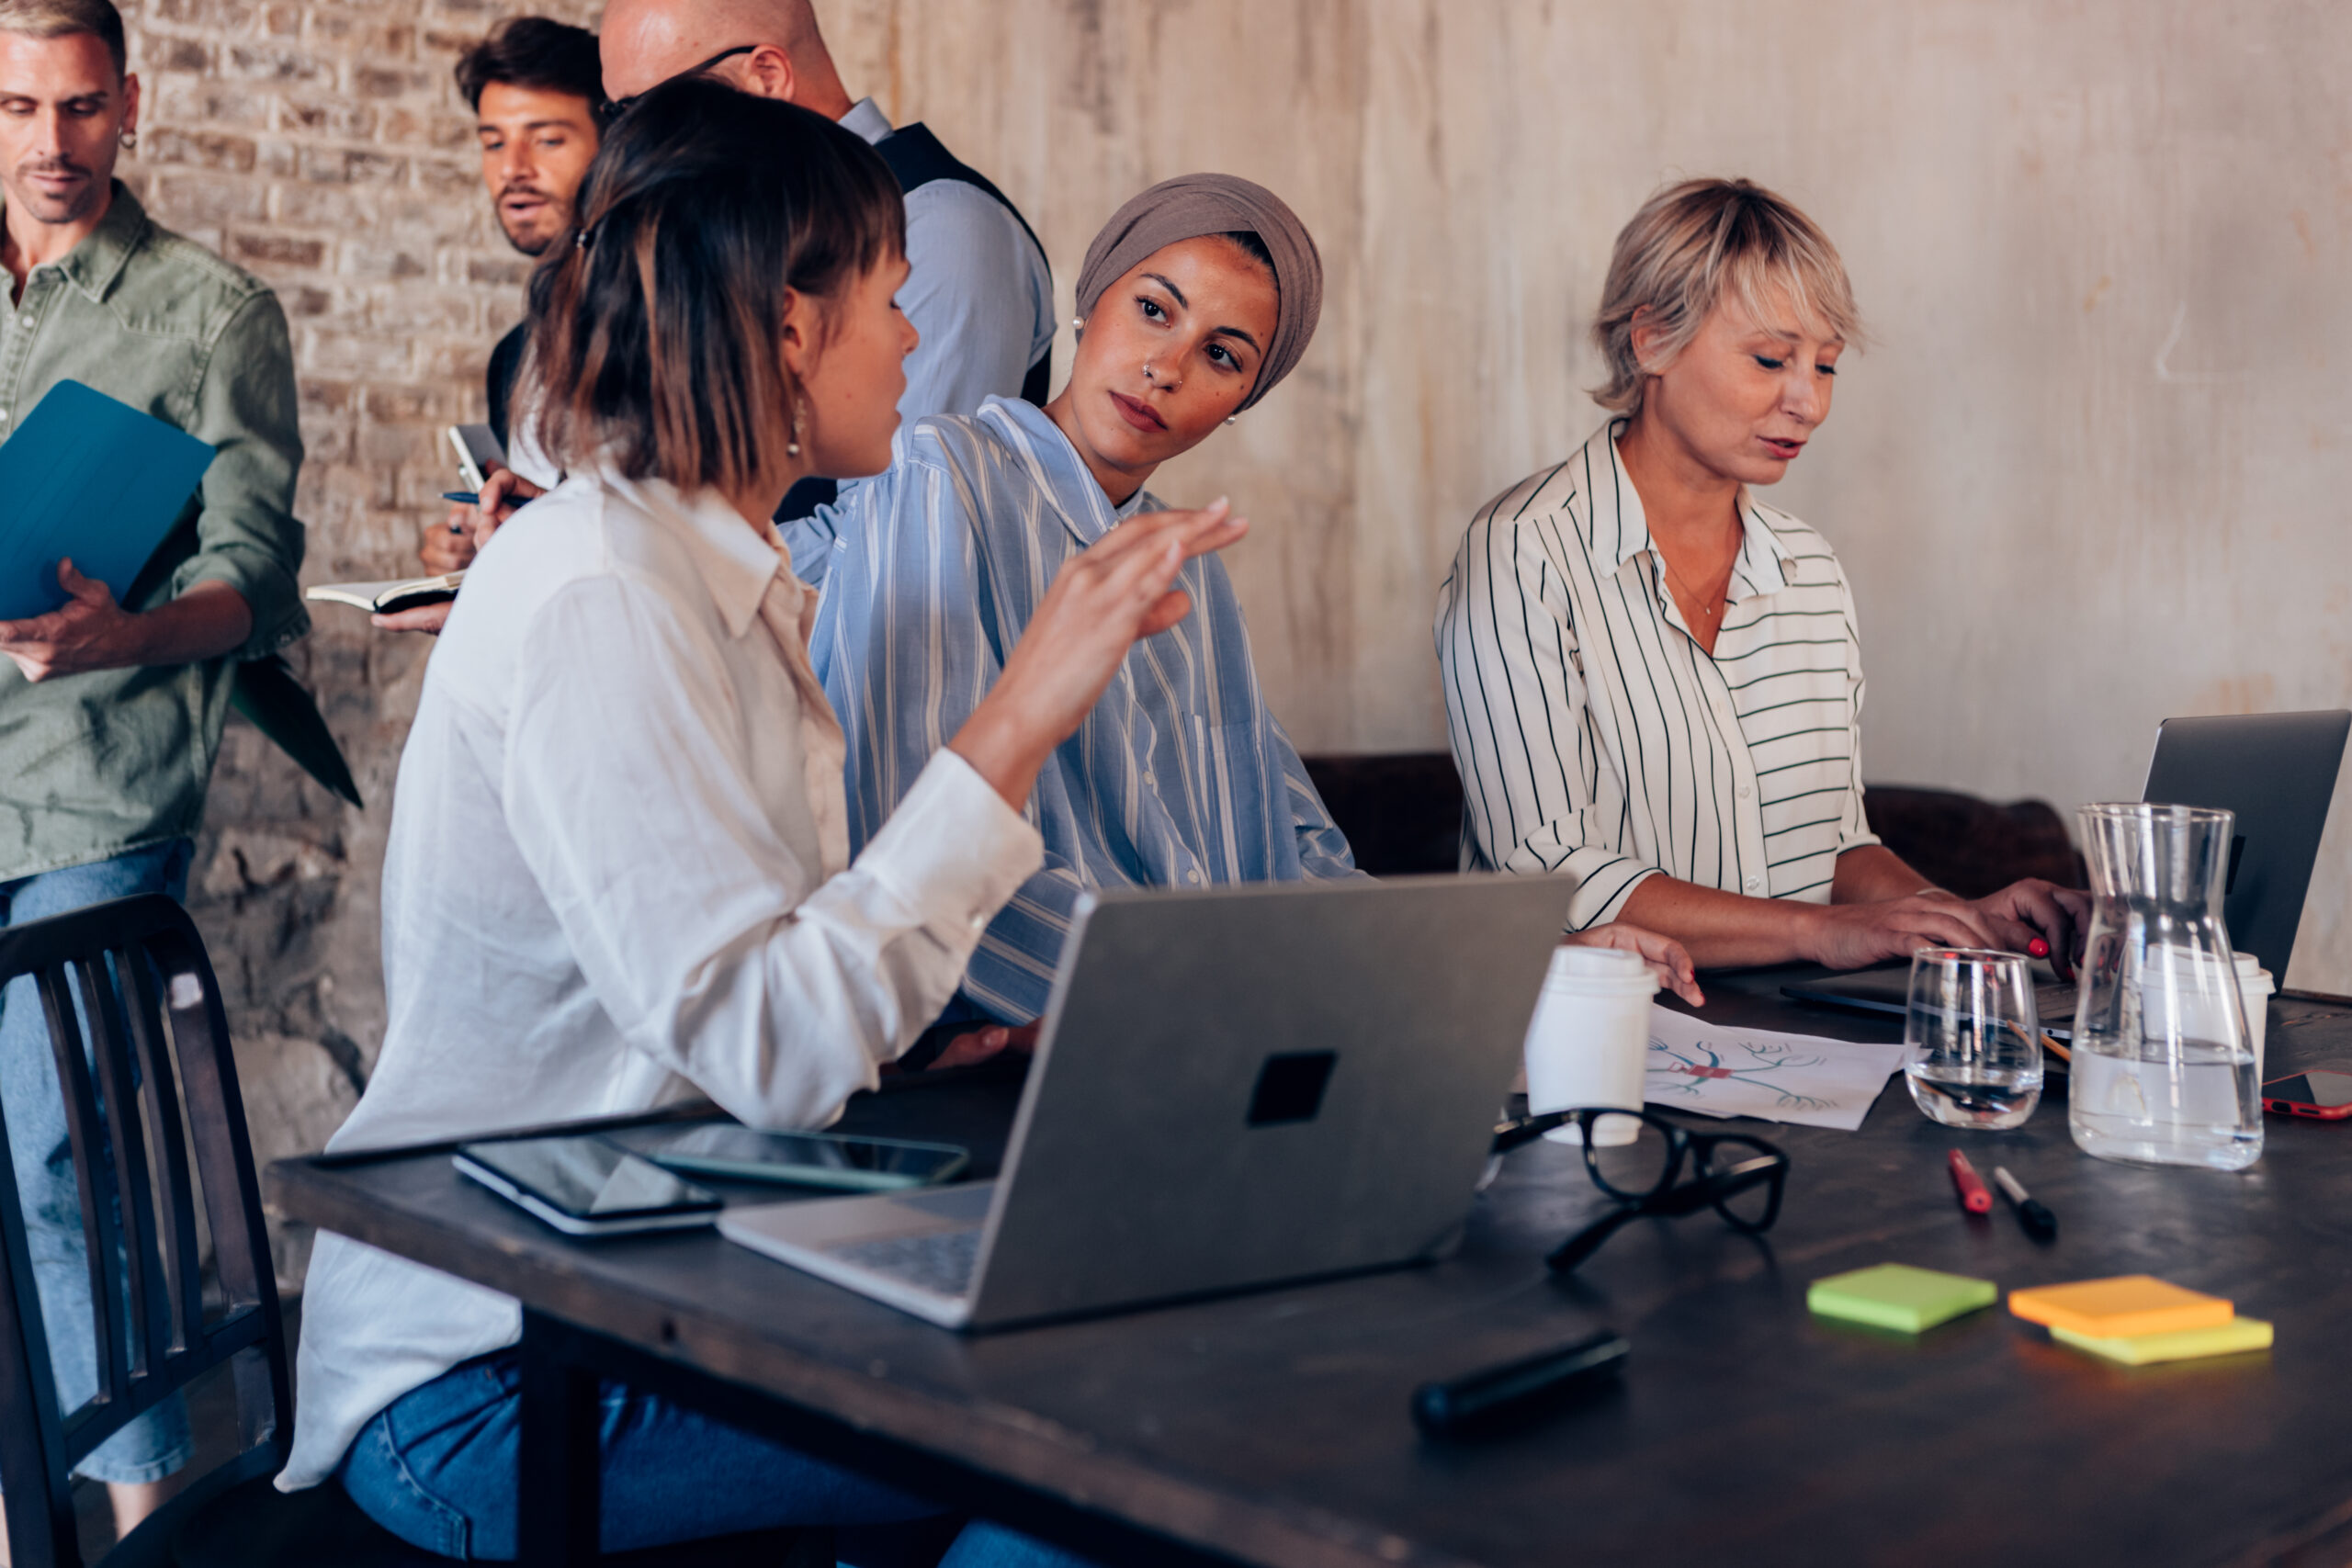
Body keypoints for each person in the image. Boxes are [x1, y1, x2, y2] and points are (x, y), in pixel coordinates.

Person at [277, 78, 1237, 1563]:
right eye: (893, 300)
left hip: (663, 1263)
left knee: (1123, 1321)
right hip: (491, 1381)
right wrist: (1022, 706)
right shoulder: (606, 592)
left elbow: (746, 984)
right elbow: (769, 1048)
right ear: (794, 329)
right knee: (1127, 1440)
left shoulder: (712, 577)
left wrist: (912, 1032)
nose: (918, 343)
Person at [1435, 178, 2086, 973]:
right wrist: (1822, 933)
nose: (1807, 402)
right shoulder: (1523, 551)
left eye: (1827, 367)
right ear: (1650, 341)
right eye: (1771, 359)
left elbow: (1835, 849)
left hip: (1792, 1048)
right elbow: (1544, 873)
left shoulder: (1809, 569)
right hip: (1601, 1039)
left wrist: (1957, 919)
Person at [784, 175, 1360, 1040]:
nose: (1166, 368)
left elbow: (1292, 833)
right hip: (1045, 1037)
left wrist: (1476, 957)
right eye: (1155, 310)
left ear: (1242, 400)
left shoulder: (1189, 565)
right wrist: (1193, 997)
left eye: (1223, 355)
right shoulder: (941, 471)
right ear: (1092, 299)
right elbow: (904, 817)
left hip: (1219, 1022)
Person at [0, 0, 305, 1544]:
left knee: (50, 1137)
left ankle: (138, 1509)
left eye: (77, 109)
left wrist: (125, 635)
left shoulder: (214, 315)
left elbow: (257, 585)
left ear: (129, 102)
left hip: (97, 785)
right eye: (15, 109)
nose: (48, 148)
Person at [599, 0, 1054, 518]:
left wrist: (664, 549)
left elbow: (898, 527)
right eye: (614, 114)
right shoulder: (743, 230)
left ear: (766, 77)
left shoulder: (944, 228)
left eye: (650, 111)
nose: (626, 144)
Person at [392, 17, 606, 632]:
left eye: (547, 140)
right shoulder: (512, 356)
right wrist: (474, 552)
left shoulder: (666, 326)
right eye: (493, 141)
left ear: (610, 143)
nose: (513, 168)